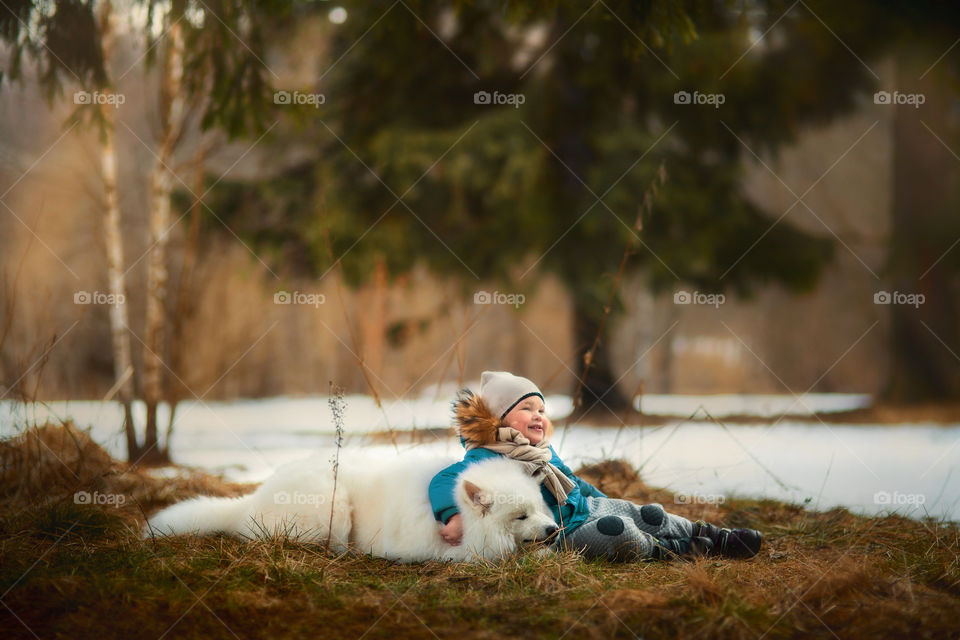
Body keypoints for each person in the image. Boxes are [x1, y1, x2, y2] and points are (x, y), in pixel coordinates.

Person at [428, 371, 763, 561]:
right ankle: (673, 551)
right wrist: (454, 515)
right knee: (616, 533)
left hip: (587, 507)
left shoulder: (542, 453)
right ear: (497, 418)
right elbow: (445, 480)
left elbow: (574, 484)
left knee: (647, 514)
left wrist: (603, 501)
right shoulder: (486, 456)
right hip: (559, 533)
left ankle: (712, 536)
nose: (538, 416)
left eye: (542, 410)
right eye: (526, 408)